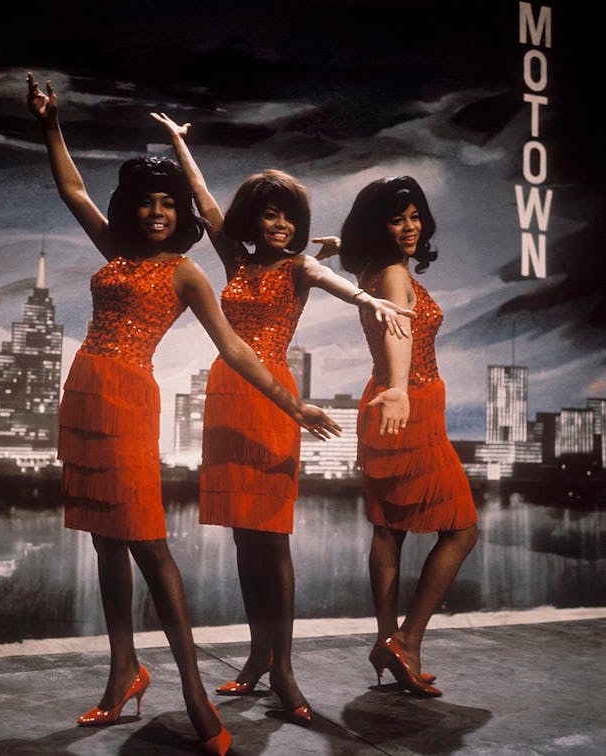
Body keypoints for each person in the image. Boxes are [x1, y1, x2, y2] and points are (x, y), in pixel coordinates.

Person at [26, 73, 341, 755]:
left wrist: (295, 402)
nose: (160, 212)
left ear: (182, 215)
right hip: (82, 390)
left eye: (171, 203)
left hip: (129, 400)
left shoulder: (187, 273)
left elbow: (238, 349)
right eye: (149, 202)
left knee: (150, 545)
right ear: (134, 208)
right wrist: (51, 124)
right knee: (104, 541)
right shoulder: (116, 250)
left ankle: (195, 693)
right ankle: (122, 676)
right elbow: (73, 191)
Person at [152, 112, 415, 723]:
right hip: (228, 396)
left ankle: (286, 671)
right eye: (269, 214)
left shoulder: (300, 267)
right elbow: (206, 202)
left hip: (275, 400)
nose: (280, 224)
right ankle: (257, 657)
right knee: (246, 539)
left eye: (288, 215)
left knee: (274, 540)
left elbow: (333, 280)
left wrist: (371, 296)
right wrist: (179, 146)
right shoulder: (235, 262)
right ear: (255, 218)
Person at [336, 175, 479, 697]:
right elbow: (401, 332)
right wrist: (400, 389)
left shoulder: (370, 269)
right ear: (379, 226)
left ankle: (386, 642)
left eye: (415, 215)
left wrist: (339, 250)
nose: (411, 226)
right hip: (406, 403)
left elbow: (357, 269)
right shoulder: (393, 273)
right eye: (397, 218)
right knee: (462, 531)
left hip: (387, 403)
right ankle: (408, 641)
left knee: (388, 528)